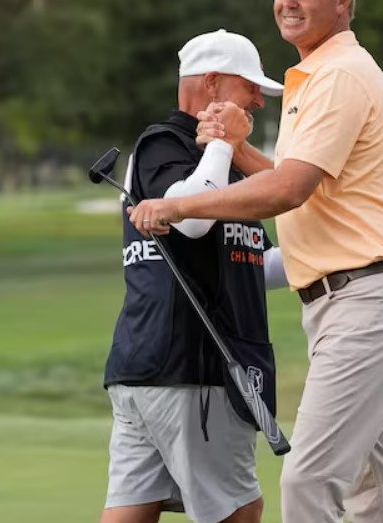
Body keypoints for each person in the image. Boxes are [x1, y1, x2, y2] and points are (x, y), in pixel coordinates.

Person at [129, 0, 383, 523]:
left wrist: (176, 209)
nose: (288, 3)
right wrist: (239, 149)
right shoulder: (320, 74)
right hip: (358, 299)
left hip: (366, 301)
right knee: (379, 493)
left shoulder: (338, 76)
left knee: (309, 480)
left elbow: (287, 192)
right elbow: (299, 183)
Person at [102, 28, 289, 523]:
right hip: (190, 370)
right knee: (239, 510)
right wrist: (226, 144)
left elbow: (256, 264)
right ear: (210, 83)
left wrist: (336, 253)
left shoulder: (226, 165)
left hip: (156, 372)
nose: (257, 101)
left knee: (132, 510)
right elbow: (191, 219)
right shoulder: (165, 145)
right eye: (248, 86)